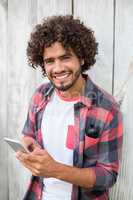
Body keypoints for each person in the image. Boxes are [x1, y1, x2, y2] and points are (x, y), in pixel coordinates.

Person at [16, 15, 123, 200]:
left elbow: (107, 176)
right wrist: (28, 144)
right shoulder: (40, 95)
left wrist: (55, 170)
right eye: (50, 61)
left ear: (81, 58)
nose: (57, 68)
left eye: (65, 58)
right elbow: (29, 134)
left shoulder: (106, 109)